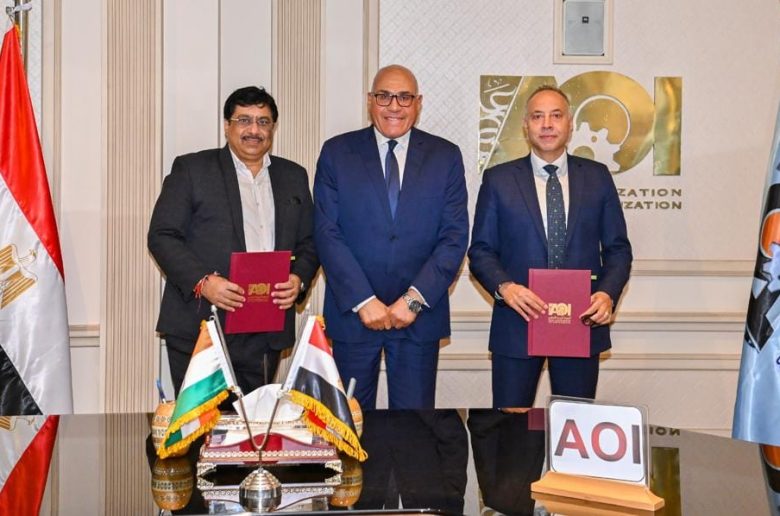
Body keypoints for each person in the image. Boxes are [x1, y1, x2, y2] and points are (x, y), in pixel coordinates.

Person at [313, 64, 469, 410]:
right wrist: (363, 300)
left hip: (419, 316)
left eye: (404, 97)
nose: (394, 106)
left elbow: (454, 236)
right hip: (353, 315)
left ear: (418, 103)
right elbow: (326, 232)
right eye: (384, 96)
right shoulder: (337, 152)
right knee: (349, 423)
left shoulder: (445, 156)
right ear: (370, 100)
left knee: (414, 425)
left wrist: (413, 300)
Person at [468, 85, 632, 408]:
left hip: (581, 321)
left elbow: (618, 249)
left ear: (570, 124)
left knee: (573, 427)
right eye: (537, 116)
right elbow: (480, 250)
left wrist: (607, 294)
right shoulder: (499, 180)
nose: (547, 124)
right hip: (517, 323)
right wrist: (506, 288)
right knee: (510, 429)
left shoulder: (598, 177)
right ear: (525, 125)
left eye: (556, 116)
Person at [148, 86, 318, 396]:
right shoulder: (192, 170)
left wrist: (299, 279)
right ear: (227, 126)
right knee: (201, 424)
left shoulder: (293, 175)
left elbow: (310, 241)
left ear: (273, 128)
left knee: (253, 422)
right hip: (202, 327)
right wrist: (203, 282)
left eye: (263, 122)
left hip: (264, 331)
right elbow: (162, 235)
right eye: (244, 120)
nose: (254, 130)